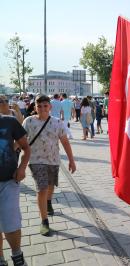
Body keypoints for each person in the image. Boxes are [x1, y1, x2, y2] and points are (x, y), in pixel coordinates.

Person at [22, 95, 76, 236]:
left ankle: (49, 201)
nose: (42, 109)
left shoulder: (57, 122)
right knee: (42, 188)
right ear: (35, 107)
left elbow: (65, 142)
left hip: (53, 160)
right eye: (39, 106)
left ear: (50, 107)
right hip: (35, 160)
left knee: (51, 186)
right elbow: (21, 140)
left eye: (45, 106)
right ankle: (44, 221)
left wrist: (71, 160)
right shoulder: (29, 121)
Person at [0, 110, 31, 266]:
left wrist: (22, 168)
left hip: (8, 181)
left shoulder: (10, 122)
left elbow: (26, 148)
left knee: (10, 221)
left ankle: (17, 256)